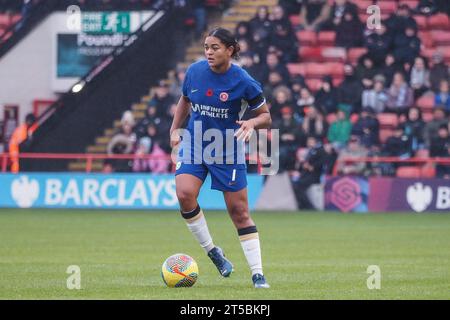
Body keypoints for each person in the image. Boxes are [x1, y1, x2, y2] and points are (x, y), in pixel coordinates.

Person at [169, 27, 272, 288]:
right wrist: (174, 130)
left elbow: (266, 116)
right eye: (206, 47)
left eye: (215, 47)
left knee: (239, 212)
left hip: (226, 149)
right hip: (195, 143)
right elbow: (184, 101)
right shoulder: (194, 71)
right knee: (184, 194)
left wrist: (251, 123)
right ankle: (213, 252)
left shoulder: (244, 81)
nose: (209, 52)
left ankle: (257, 273)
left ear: (230, 50)